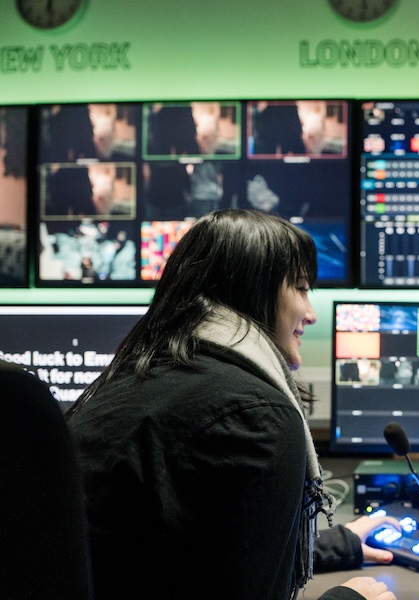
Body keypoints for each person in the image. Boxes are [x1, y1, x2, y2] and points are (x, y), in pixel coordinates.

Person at [67, 209, 397, 600]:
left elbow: (192, 549)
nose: (310, 314)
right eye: (303, 288)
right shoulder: (255, 418)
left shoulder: (139, 382)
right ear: (255, 291)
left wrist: (331, 546)